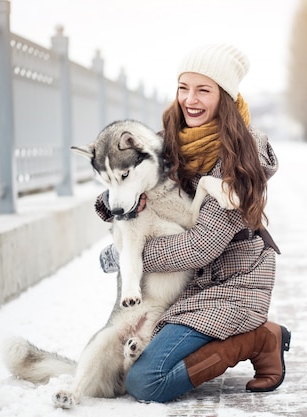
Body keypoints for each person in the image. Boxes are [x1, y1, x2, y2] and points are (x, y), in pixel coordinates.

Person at [94, 43, 290, 403]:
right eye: (184, 87)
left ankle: (261, 338)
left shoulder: (246, 150)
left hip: (232, 286)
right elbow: (134, 185)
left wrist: (129, 254)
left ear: (225, 97)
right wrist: (116, 203)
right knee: (114, 373)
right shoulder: (167, 139)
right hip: (183, 288)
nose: (190, 100)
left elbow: (202, 245)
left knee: (146, 382)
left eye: (204, 90)